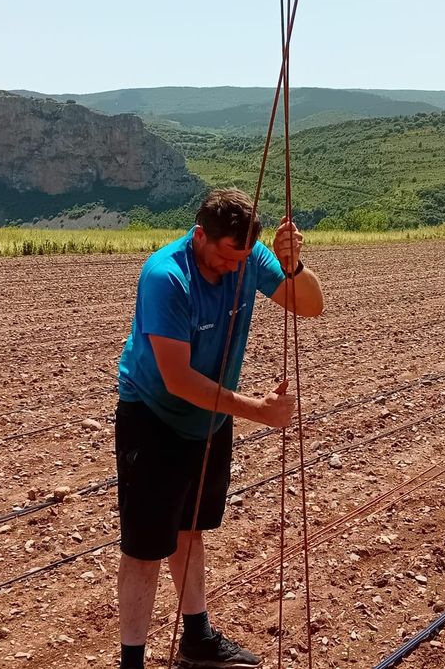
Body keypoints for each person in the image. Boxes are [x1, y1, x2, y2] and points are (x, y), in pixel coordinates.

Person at [114, 187, 325, 669]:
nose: (235, 268)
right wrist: (258, 410)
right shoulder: (166, 276)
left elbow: (309, 305)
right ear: (199, 235)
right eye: (226, 257)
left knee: (192, 530)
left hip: (208, 421)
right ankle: (132, 663)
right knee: (145, 549)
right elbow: (178, 379)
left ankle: (197, 638)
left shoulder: (248, 258)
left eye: (243, 257)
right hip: (153, 417)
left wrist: (292, 267)